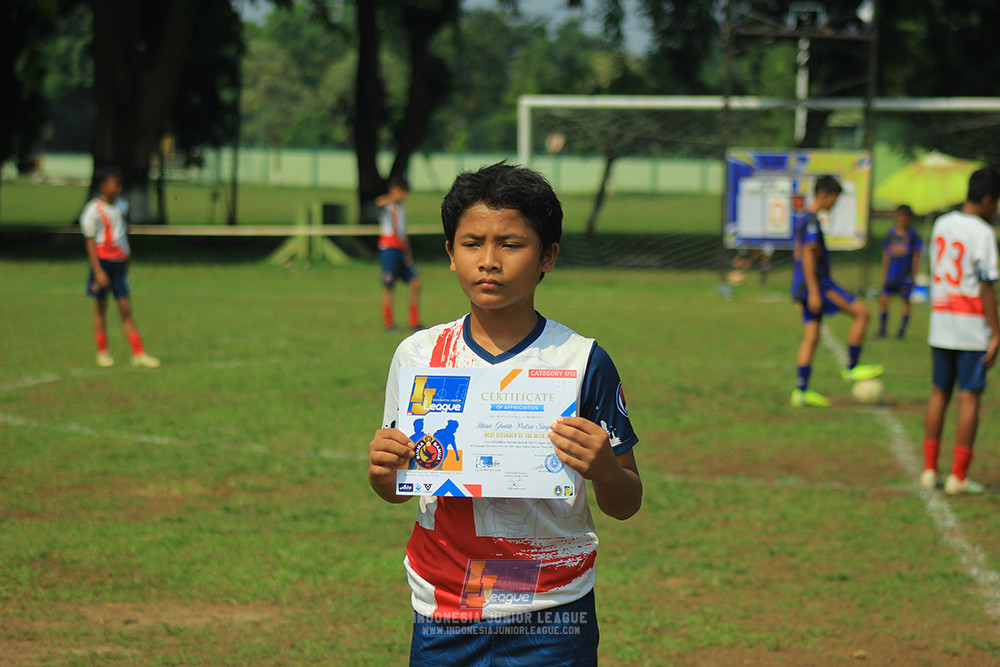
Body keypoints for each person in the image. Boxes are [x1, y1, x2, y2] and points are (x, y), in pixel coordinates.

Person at [367, 162, 642, 666]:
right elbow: (398, 487)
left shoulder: (581, 361)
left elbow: (625, 501)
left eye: (511, 244)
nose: (489, 261)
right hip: (444, 608)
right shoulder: (419, 355)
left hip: (553, 611)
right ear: (450, 254)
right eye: (472, 243)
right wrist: (384, 471)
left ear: (548, 256)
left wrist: (604, 469)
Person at [920, 167, 1000, 495]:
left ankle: (928, 470)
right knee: (969, 398)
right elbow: (985, 287)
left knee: (939, 392)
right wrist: (996, 333)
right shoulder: (982, 233)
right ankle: (958, 476)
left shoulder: (942, 223)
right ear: (986, 200)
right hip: (970, 327)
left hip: (941, 322)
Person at [790, 175, 882, 407]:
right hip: (819, 285)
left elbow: (797, 255)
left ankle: (801, 391)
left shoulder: (803, 219)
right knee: (862, 313)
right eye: (834, 199)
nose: (834, 204)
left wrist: (801, 287)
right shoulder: (811, 222)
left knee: (811, 337)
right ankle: (851, 368)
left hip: (804, 285)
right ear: (823, 195)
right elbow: (808, 257)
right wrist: (813, 291)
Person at [81, 166, 160, 368]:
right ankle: (102, 352)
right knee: (101, 308)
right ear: (102, 186)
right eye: (115, 184)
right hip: (103, 263)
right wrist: (98, 270)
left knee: (125, 308)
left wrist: (127, 261)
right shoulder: (93, 210)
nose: (119, 188)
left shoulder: (123, 206)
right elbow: (90, 240)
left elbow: (123, 234)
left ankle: (138, 353)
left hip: (120, 263)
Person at [376, 176, 422, 332]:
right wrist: (390, 199)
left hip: (401, 248)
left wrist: (408, 253)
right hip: (389, 248)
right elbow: (379, 203)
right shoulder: (387, 206)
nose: (404, 196)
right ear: (396, 191)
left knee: (416, 283)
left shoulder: (402, 209)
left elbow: (403, 232)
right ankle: (389, 323)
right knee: (389, 285)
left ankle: (414, 321)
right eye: (403, 193)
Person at [878, 204, 922, 338]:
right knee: (884, 300)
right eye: (900, 217)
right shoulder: (891, 234)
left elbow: (916, 256)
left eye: (905, 217)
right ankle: (882, 329)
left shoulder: (913, 236)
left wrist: (914, 275)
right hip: (892, 274)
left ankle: (901, 331)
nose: (902, 220)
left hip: (905, 275)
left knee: (905, 301)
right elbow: (886, 254)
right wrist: (883, 273)